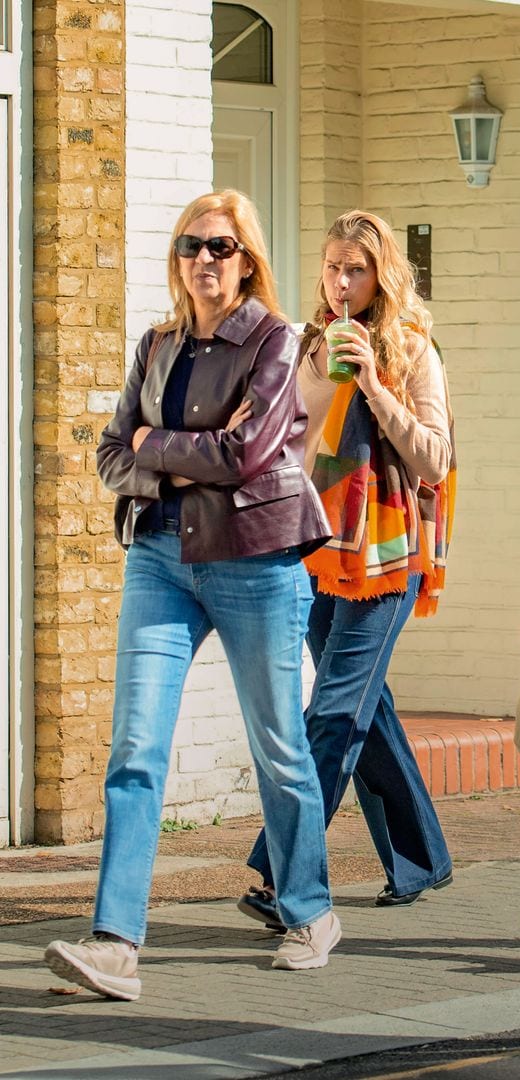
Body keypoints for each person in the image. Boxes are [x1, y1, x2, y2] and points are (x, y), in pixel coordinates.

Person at [44, 190, 341, 1002]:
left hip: (255, 559)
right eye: (188, 246)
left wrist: (156, 444)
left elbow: (246, 456)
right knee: (134, 750)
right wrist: (173, 454)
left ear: (246, 259)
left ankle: (309, 909)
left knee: (278, 746)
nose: (202, 260)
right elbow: (110, 454)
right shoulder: (158, 343)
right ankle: (114, 943)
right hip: (160, 558)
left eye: (219, 247)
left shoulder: (276, 340)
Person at [235, 210, 454, 930]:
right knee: (365, 708)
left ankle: (281, 874)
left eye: (354, 269)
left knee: (332, 712)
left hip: (388, 559)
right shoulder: (304, 345)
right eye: (331, 267)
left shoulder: (415, 351)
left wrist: (375, 384)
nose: (339, 282)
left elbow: (434, 458)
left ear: (381, 276)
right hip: (314, 554)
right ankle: (423, 857)